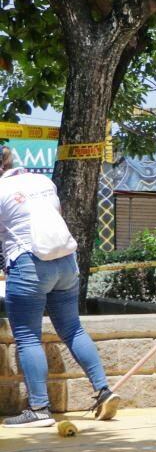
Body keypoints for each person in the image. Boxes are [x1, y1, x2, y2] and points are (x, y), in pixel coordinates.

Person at [0, 147, 120, 426]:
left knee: (28, 337)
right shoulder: (43, 181)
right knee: (73, 328)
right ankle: (103, 390)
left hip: (29, 263)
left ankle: (39, 409)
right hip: (65, 263)